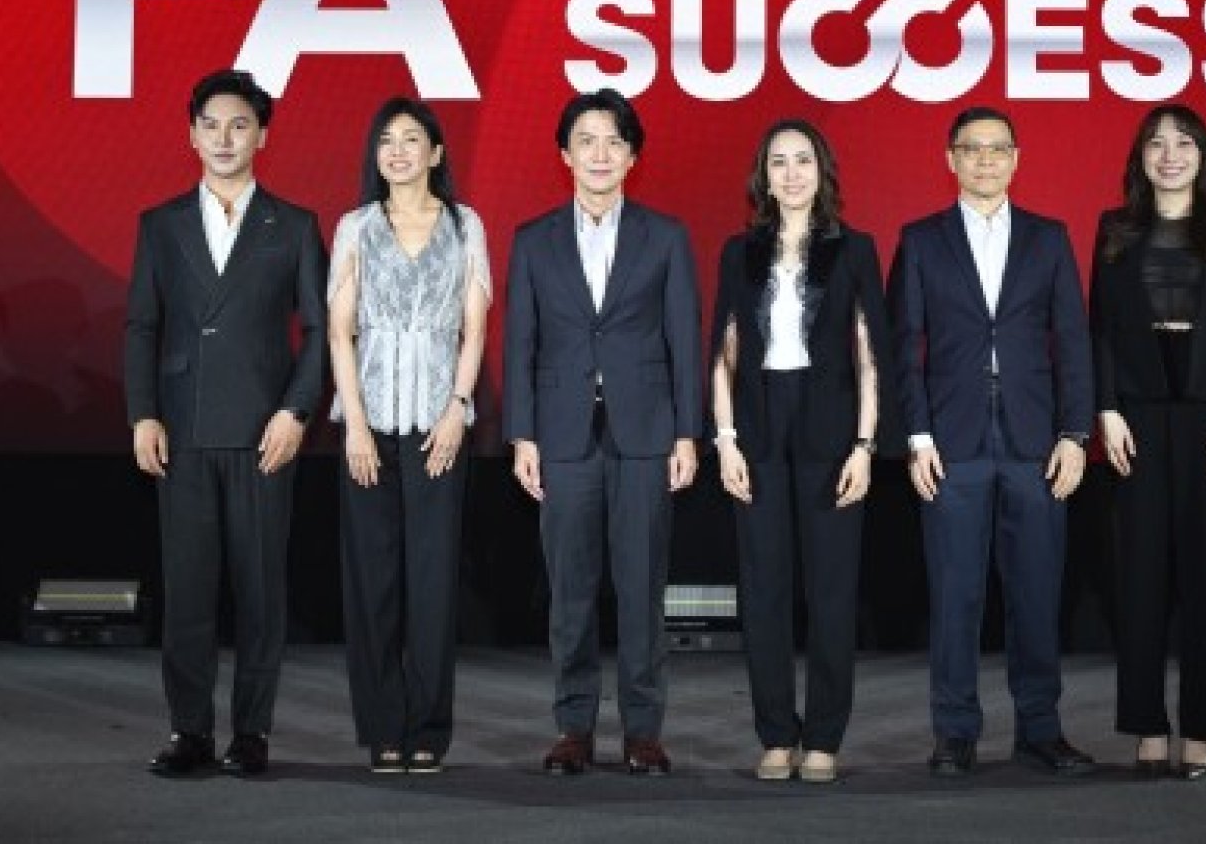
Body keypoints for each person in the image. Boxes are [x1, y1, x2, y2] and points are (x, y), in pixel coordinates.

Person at [124, 69, 328, 778]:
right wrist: (143, 414)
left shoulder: (294, 225)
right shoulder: (161, 224)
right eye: (210, 125)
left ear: (262, 136)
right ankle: (189, 732)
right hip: (181, 431)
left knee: (260, 591)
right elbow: (141, 326)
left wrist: (296, 412)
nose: (224, 138)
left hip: (263, 433)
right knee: (188, 591)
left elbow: (321, 332)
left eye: (239, 125)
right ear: (191, 135)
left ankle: (252, 732)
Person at [888, 106, 1096, 777]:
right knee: (956, 596)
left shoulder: (1048, 237)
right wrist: (917, 436)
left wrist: (1076, 434)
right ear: (950, 158)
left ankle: (1041, 730)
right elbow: (904, 348)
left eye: (998, 148)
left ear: (1016, 159)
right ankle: (954, 733)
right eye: (972, 149)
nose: (985, 160)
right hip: (951, 443)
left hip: (1036, 442)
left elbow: (1073, 342)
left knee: (1036, 593)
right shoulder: (921, 240)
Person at [504, 88, 702, 776]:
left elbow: (684, 339)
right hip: (561, 437)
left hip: (645, 434)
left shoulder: (665, 236)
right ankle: (574, 728)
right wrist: (522, 436)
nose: (599, 153)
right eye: (586, 140)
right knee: (570, 591)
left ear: (631, 156)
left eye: (614, 141)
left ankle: (643, 732)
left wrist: (687, 434)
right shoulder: (533, 240)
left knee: (642, 588)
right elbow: (521, 343)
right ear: (565, 154)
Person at [709, 119, 889, 784]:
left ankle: (824, 738)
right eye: (779, 162)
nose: (791, 174)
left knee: (832, 590)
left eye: (803, 161)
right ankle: (776, 735)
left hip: (831, 427)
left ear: (822, 171)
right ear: (764, 176)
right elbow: (725, 350)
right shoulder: (740, 252)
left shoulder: (855, 249)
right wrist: (725, 440)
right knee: (763, 590)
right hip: (757, 427)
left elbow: (870, 354)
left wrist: (865, 445)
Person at [1091, 104, 1206, 780]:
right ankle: (1145, 726)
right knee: (1139, 577)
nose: (1170, 155)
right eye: (1157, 144)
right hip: (1136, 416)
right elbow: (1100, 328)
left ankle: (1203, 726)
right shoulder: (1115, 228)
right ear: (1140, 157)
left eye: (1184, 143)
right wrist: (1106, 408)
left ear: (1203, 155)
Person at [328, 97, 490, 775]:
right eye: (386, 140)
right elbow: (340, 331)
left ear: (435, 152)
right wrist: (355, 425)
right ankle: (382, 728)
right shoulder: (357, 227)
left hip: (437, 429)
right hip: (369, 429)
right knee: (373, 583)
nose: (397, 151)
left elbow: (474, 328)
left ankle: (428, 728)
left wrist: (458, 408)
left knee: (432, 583)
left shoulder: (465, 224)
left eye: (411, 139)